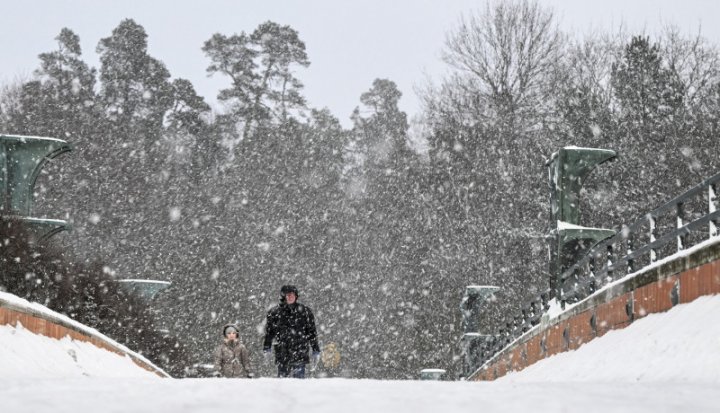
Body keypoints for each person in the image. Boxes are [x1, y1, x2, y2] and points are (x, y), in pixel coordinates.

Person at [263, 285, 321, 378]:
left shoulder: (305, 312)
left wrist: (315, 349)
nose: (290, 297)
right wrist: (267, 347)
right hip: (282, 353)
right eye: (288, 295)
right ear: (283, 296)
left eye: (292, 294)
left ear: (296, 296)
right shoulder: (274, 313)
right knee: (283, 385)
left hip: (300, 352)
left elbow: (312, 332)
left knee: (298, 385)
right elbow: (269, 333)